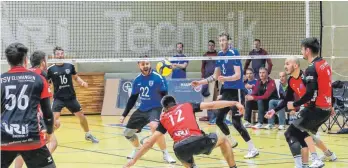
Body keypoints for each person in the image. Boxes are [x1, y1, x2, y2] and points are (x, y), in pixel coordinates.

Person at [265, 37, 335, 168]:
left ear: (307, 50)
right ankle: (325, 155)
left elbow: (311, 93)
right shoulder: (323, 64)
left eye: (302, 49)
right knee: (305, 134)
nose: (285, 66)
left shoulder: (309, 72)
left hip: (316, 109)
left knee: (295, 132)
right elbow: (286, 99)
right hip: (320, 108)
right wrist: (274, 110)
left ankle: (312, 161)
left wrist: (296, 105)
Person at [124, 95, 244, 168]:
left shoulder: (164, 118)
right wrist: (234, 103)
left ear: (164, 109)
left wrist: (134, 160)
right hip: (197, 140)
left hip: (180, 148)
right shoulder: (187, 105)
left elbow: (149, 143)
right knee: (223, 139)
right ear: (175, 103)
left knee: (185, 157)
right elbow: (212, 105)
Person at [191, 32, 259, 159]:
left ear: (229, 41)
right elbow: (215, 76)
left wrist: (225, 78)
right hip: (226, 92)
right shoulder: (220, 55)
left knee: (236, 122)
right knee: (218, 119)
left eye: (224, 40)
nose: (222, 43)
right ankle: (231, 141)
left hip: (237, 91)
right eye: (220, 40)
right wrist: (200, 82)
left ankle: (253, 149)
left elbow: (238, 75)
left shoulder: (234, 53)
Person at [1, 43, 56, 168]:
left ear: (8, 62)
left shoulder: (1, 80)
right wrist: (49, 131)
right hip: (31, 137)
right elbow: (47, 112)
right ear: (26, 60)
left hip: (5, 137)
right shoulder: (39, 79)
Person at [119, 59, 176, 163]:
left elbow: (165, 96)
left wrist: (168, 111)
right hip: (142, 109)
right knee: (127, 133)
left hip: (156, 108)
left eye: (147, 64)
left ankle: (165, 153)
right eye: (143, 64)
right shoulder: (137, 80)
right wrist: (124, 115)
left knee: (154, 127)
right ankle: (137, 149)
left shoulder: (158, 77)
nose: (145, 66)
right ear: (139, 65)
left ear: (150, 64)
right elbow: (132, 99)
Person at [14, 51, 58, 168]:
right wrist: (51, 121)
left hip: (21, 117)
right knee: (53, 142)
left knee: (22, 148)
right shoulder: (43, 75)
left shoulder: (24, 74)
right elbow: (45, 103)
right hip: (37, 117)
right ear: (43, 62)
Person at [47, 47, 99, 143]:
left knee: (82, 116)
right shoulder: (50, 69)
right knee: (54, 120)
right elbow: (47, 83)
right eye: (58, 54)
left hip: (71, 97)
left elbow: (76, 78)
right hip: (58, 98)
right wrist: (48, 90)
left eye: (62, 53)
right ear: (54, 56)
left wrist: (82, 83)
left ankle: (88, 134)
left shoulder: (70, 65)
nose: (60, 55)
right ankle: (47, 137)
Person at [200, 40, 218, 123]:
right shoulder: (205, 55)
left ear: (214, 46)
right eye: (209, 45)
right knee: (208, 98)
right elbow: (203, 67)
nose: (210, 46)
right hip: (207, 79)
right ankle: (210, 117)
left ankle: (215, 117)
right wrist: (203, 77)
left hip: (216, 79)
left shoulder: (217, 55)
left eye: (212, 45)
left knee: (215, 98)